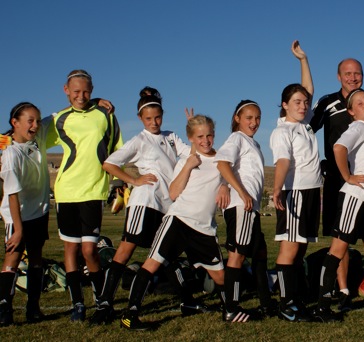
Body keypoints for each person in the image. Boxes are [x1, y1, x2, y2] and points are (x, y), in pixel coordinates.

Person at [91, 91, 210, 325]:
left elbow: (193, 156)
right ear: (140, 118)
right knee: (126, 250)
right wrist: (134, 181)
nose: (154, 122)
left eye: (157, 117)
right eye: (148, 119)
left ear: (162, 115)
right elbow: (109, 163)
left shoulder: (171, 137)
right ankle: (104, 304)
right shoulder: (139, 140)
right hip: (144, 202)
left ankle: (187, 300)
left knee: (168, 255)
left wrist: (192, 130)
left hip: (166, 206)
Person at [120, 115, 226, 330]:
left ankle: (229, 309)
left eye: (209, 135)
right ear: (190, 138)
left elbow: (229, 177)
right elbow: (173, 192)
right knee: (152, 263)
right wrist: (187, 166)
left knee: (221, 276)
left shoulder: (221, 160)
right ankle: (130, 315)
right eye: (199, 137)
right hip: (178, 221)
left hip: (204, 228)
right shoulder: (185, 161)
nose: (205, 140)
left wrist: (225, 185)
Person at [311, 89, 364, 322]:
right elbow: (339, 148)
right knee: (338, 249)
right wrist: (347, 176)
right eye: (359, 103)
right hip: (354, 197)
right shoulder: (357, 127)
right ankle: (322, 307)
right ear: (351, 111)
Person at [46, 70, 123, 322]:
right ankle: (77, 303)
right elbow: (30, 131)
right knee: (71, 248)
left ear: (92, 89)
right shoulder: (59, 119)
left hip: (93, 190)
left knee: (90, 250)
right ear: (65, 90)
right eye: (76, 91)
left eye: (86, 91)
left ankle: (101, 300)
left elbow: (117, 150)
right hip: (67, 190)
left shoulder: (105, 114)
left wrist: (119, 181)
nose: (81, 96)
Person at [269, 40, 320, 322]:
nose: (303, 105)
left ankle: (296, 298)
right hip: (295, 192)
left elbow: (308, 89)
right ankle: (286, 305)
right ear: (284, 105)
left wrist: (303, 59)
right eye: (297, 102)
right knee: (289, 248)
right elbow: (284, 162)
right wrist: (277, 189)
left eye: (305, 102)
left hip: (311, 192)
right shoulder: (283, 131)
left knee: (300, 247)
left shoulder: (304, 124)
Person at [215, 99, 274, 322]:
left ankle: (266, 303)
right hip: (241, 205)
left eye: (257, 118)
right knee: (237, 255)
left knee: (259, 253)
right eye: (249, 117)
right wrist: (241, 192)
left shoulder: (253, 143)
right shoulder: (237, 138)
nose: (254, 122)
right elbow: (222, 163)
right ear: (237, 118)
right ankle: (231, 308)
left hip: (252, 207)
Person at [0, 103, 51, 326]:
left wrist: (95, 100)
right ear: (15, 123)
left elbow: (60, 115)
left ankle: (33, 307)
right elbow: (12, 195)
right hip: (17, 216)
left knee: (36, 259)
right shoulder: (10, 154)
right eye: (30, 120)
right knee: (12, 259)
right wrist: (18, 229)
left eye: (37, 120)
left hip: (38, 213)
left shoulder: (36, 140)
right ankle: (4, 308)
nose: (35, 125)